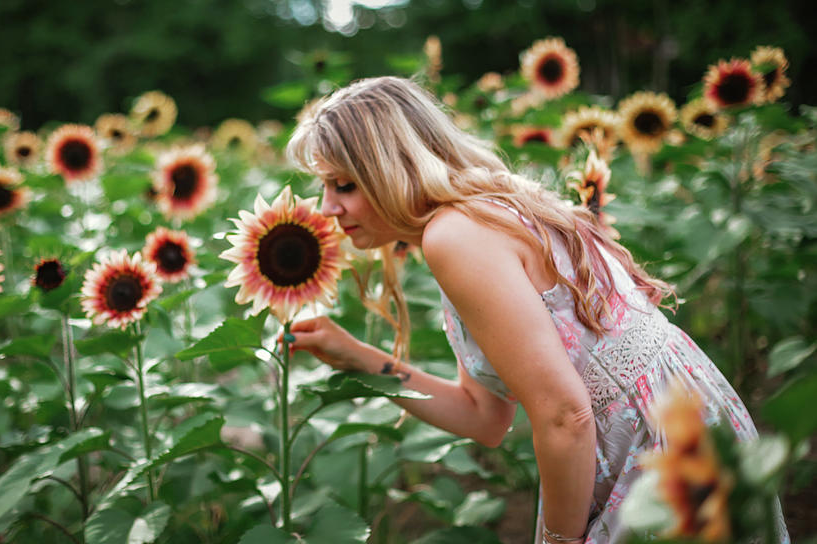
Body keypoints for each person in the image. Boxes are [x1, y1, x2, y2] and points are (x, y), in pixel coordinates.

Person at [282, 76, 787, 543]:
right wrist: (354, 355)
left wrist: (558, 541)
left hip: (657, 455)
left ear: (393, 168)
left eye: (344, 185)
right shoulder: (474, 217)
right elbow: (484, 417)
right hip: (672, 426)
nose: (327, 207)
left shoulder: (455, 235)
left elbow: (566, 414)